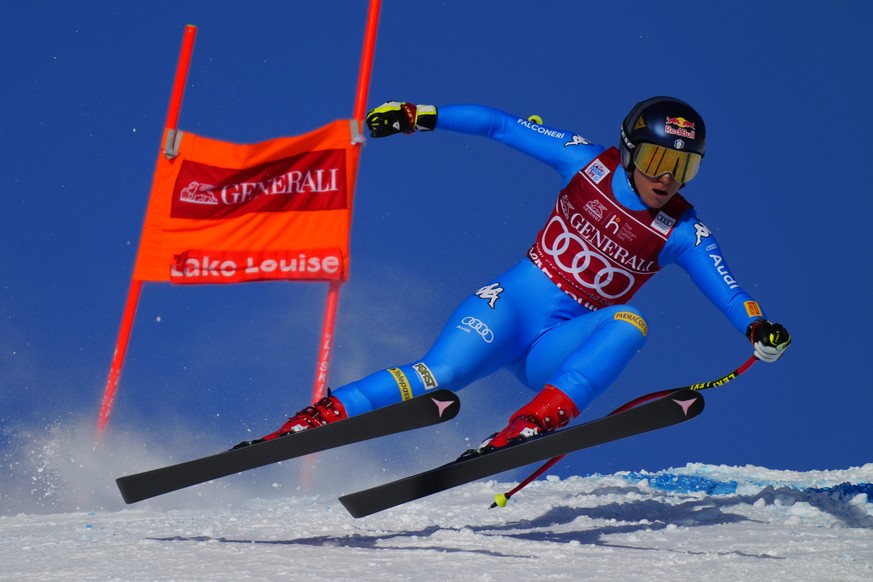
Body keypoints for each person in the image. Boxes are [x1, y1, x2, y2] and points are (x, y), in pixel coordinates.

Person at [234, 97, 791, 454]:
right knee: (437, 374)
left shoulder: (682, 231)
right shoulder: (585, 162)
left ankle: (530, 424)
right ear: (628, 151)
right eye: (657, 160)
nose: (668, 177)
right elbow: (501, 125)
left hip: (559, 342)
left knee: (630, 321)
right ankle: (315, 420)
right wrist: (418, 116)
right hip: (514, 304)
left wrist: (757, 327)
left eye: (684, 167)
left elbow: (731, 291)